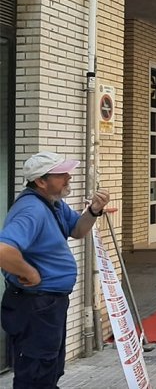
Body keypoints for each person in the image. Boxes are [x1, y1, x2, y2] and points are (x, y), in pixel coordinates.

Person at [0, 151, 110, 388]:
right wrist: (29, 272)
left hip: (48, 304)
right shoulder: (31, 209)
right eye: (61, 175)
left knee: (49, 368)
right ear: (41, 181)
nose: (68, 178)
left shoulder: (54, 204)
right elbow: (3, 250)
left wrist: (93, 210)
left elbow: (78, 231)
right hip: (34, 304)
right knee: (36, 371)